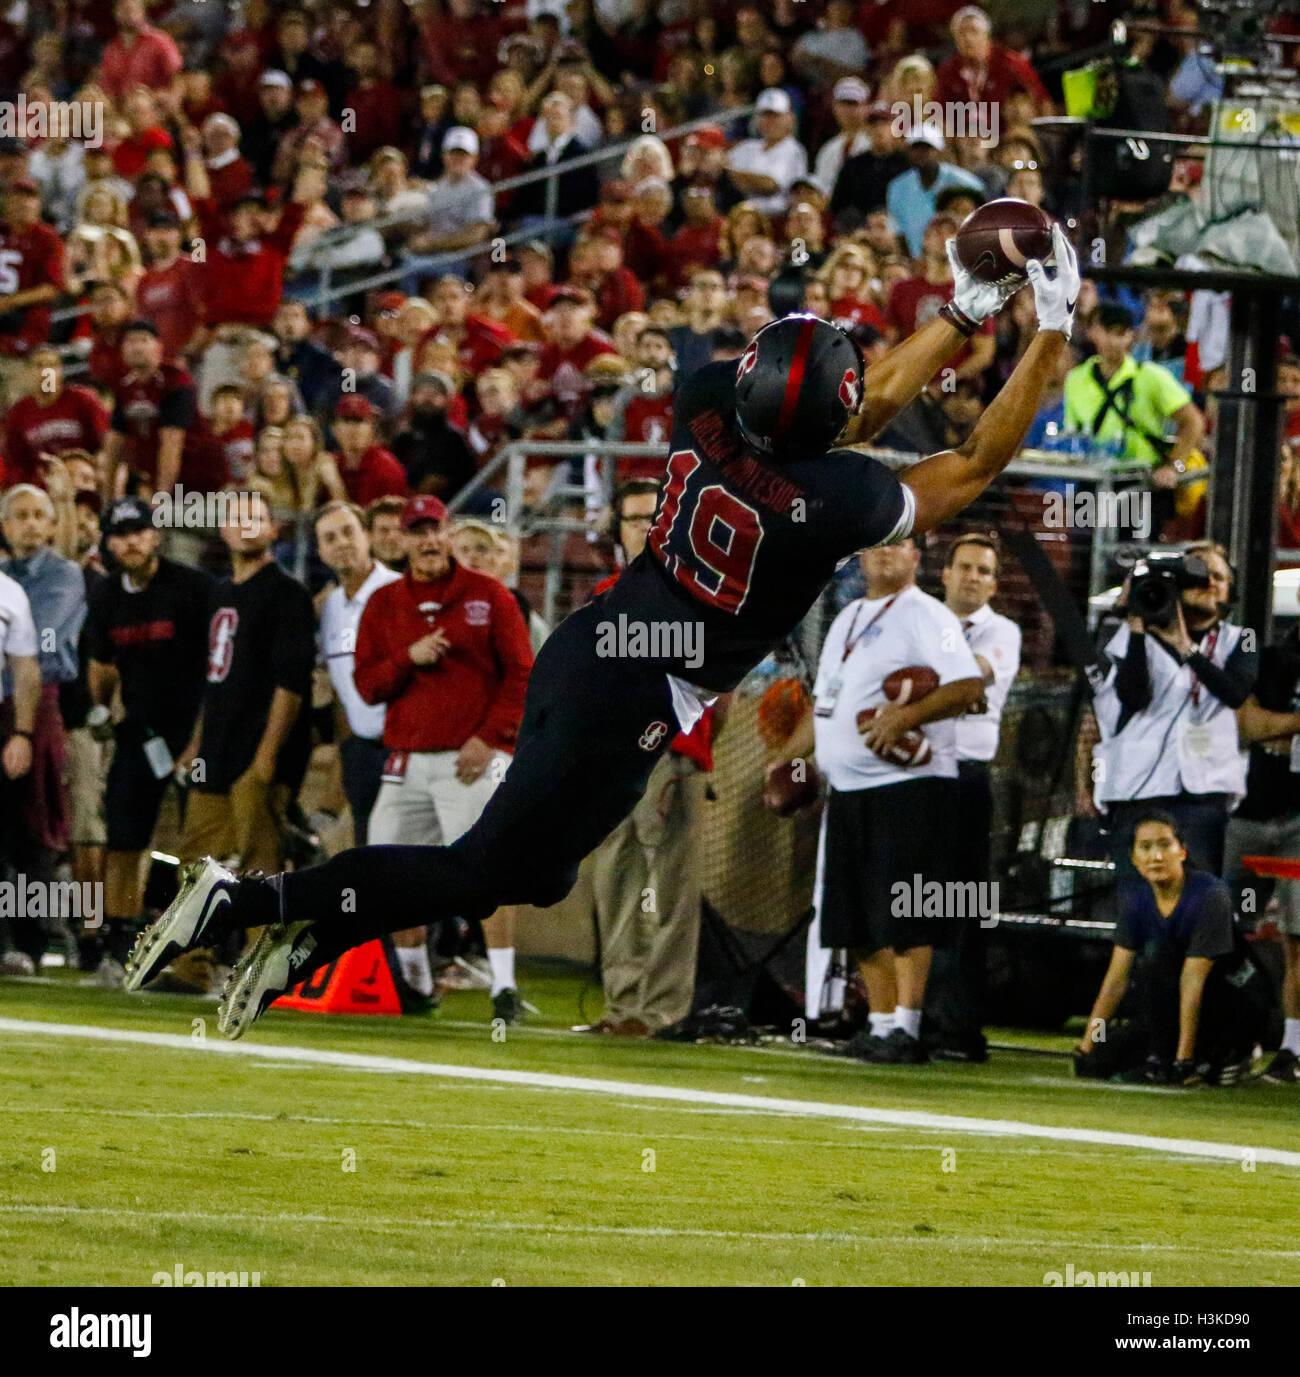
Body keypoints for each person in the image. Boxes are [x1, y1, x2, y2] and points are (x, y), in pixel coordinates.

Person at [125, 228, 1081, 1039]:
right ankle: (246, 901)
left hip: (597, 645)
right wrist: (1050, 330)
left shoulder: (706, 394)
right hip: (638, 692)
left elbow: (856, 401)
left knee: (534, 875)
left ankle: (313, 928)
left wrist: (962, 312)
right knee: (484, 867)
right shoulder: (836, 498)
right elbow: (971, 459)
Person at [790, 537, 983, 1063]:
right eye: (875, 546)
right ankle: (878, 1025)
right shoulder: (848, 614)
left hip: (909, 787)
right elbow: (826, 700)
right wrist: (788, 756)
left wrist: (905, 717)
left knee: (906, 908)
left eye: (899, 544)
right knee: (857, 915)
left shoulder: (926, 614)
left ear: (917, 557)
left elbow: (968, 686)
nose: (886, 554)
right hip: (850, 788)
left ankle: (909, 1024)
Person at [352, 495, 534, 1020]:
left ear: (447, 533)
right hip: (405, 759)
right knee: (388, 876)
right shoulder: (384, 604)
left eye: (436, 530)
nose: (429, 540)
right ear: (402, 541)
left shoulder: (489, 595)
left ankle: (504, 988)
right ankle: (414, 986)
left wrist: (492, 738)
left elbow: (523, 674)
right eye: (418, 532)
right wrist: (407, 659)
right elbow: (367, 685)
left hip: (470, 758)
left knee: (487, 872)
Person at [575, 480, 719, 1037]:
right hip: (610, 758)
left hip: (669, 754)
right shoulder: (606, 593)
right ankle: (622, 1005)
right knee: (615, 883)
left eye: (649, 517)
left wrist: (689, 753)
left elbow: (709, 679)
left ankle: (661, 1010)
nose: (641, 527)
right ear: (618, 532)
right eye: (631, 519)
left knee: (671, 888)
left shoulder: (698, 591)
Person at [83, 497, 212, 983]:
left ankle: (197, 955)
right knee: (123, 841)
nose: (130, 541)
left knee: (197, 846)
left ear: (155, 535)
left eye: (138, 531)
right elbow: (100, 665)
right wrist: (103, 706)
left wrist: (197, 744)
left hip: (194, 729)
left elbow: (215, 671)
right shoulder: (106, 597)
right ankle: (122, 949)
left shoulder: (193, 587)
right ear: (108, 543)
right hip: (139, 732)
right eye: (119, 534)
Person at [1091, 542, 1255, 877]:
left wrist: (1186, 648)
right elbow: (1131, 697)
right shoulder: (1132, 636)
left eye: (1219, 578)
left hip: (1204, 799)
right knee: (1140, 909)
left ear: (1231, 591)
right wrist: (1138, 628)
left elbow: (1235, 692)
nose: (1209, 583)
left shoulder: (1242, 638)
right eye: (1199, 575)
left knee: (1198, 904)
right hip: (1138, 793)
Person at [927, 533, 1021, 1061]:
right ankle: (904, 1019)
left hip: (966, 777)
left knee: (963, 901)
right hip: (915, 774)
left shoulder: (1003, 631)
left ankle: (959, 1026)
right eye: (964, 567)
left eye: (984, 571)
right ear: (944, 573)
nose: (973, 578)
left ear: (995, 583)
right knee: (909, 894)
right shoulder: (918, 620)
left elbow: (966, 675)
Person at [1075, 812, 1247, 1085]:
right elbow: (1115, 981)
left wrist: (1182, 1061)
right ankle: (1160, 1054)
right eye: (1145, 847)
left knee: (1159, 958)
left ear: (1182, 851)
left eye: (1165, 845)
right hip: (1169, 1006)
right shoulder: (1136, 899)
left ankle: (1211, 1056)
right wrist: (1087, 1046)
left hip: (1226, 1002)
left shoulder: (1210, 894)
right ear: (1133, 858)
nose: (1156, 856)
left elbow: (1193, 981)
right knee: (1099, 1062)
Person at [1223, 623, 1300, 1083]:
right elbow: (1247, 725)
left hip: (1299, 825)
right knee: (1224, 931)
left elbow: (1262, 726)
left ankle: (1291, 1049)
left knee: (1297, 939)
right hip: (1248, 816)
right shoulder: (1268, 655)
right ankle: (1229, 1035)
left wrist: (1277, 729)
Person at [314, 500, 401, 847]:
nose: (341, 543)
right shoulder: (330, 607)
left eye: (349, 532)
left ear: (367, 536)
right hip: (361, 753)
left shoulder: (401, 592)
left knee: (405, 854)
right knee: (366, 850)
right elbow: (339, 686)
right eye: (330, 538)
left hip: (404, 749)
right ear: (320, 552)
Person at [0, 565, 40, 974]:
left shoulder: (9, 592)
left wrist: (22, 733)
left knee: (5, 841)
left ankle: (4, 944)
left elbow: (25, 670)